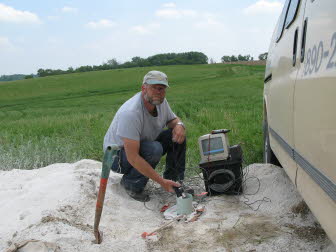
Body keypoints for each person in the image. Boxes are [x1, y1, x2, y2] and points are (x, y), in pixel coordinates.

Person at [103, 70, 186, 202]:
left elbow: (173, 120)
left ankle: (175, 182)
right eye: (155, 88)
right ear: (144, 88)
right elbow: (133, 157)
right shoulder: (131, 113)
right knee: (154, 149)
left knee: (177, 134)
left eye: (162, 88)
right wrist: (160, 181)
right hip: (116, 156)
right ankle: (131, 185)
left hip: (141, 144)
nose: (159, 92)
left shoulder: (160, 102)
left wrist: (180, 125)